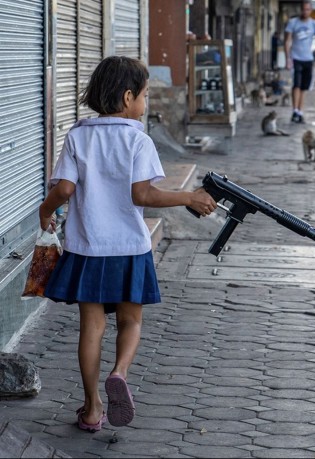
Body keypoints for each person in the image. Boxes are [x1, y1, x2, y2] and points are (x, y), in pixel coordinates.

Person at [38, 56, 216, 433]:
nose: (146, 103)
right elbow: (144, 195)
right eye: (146, 96)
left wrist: (45, 210)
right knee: (131, 320)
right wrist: (187, 197)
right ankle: (119, 373)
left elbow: (65, 188)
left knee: (92, 328)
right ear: (128, 96)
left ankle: (91, 408)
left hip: (87, 248)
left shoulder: (78, 134)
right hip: (129, 248)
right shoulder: (138, 138)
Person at [285, 0, 315, 123]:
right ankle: (295, 111)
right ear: (300, 10)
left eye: (308, 9)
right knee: (296, 85)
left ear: (311, 10)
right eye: (304, 9)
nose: (305, 12)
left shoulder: (314, 24)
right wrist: (288, 58)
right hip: (296, 58)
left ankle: (300, 110)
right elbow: (287, 41)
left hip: (308, 59)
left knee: (304, 87)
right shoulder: (293, 23)